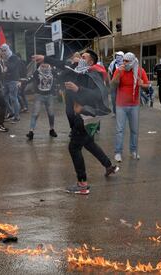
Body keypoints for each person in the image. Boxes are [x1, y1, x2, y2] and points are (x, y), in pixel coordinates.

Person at [33, 50, 119, 195]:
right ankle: (109, 166)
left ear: (90, 62)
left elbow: (99, 94)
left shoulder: (94, 74)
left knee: (74, 148)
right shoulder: (77, 71)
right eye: (78, 57)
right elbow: (63, 65)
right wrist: (45, 58)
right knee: (88, 143)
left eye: (83, 57)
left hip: (85, 117)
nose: (78, 59)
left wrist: (78, 89)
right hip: (77, 117)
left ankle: (82, 184)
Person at [112, 52, 149, 162]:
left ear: (132, 62)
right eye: (123, 60)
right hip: (121, 105)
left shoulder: (140, 71)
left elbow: (148, 86)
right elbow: (113, 85)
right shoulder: (119, 70)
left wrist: (142, 84)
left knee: (134, 130)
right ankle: (118, 152)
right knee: (119, 130)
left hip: (134, 105)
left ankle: (133, 151)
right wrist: (118, 74)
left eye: (127, 61)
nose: (124, 63)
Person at [25, 63, 58, 140]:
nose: (44, 67)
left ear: (48, 64)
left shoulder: (52, 71)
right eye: (42, 65)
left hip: (49, 95)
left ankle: (51, 129)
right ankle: (31, 132)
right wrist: (22, 82)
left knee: (51, 114)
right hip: (39, 95)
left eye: (45, 65)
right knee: (35, 114)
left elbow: (59, 77)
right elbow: (31, 78)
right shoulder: (37, 71)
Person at [0, 44, 21, 123]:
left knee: (13, 98)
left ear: (8, 50)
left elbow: (11, 67)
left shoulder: (14, 57)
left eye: (4, 50)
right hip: (6, 80)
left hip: (13, 80)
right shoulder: (5, 58)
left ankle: (17, 116)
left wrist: (5, 61)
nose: (3, 52)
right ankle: (12, 112)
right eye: (2, 50)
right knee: (4, 97)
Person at [108, 51, 124, 116]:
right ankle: (115, 112)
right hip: (113, 84)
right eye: (117, 56)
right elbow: (109, 72)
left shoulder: (124, 63)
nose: (117, 57)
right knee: (113, 98)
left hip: (122, 85)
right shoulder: (113, 63)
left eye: (119, 56)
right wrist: (109, 81)